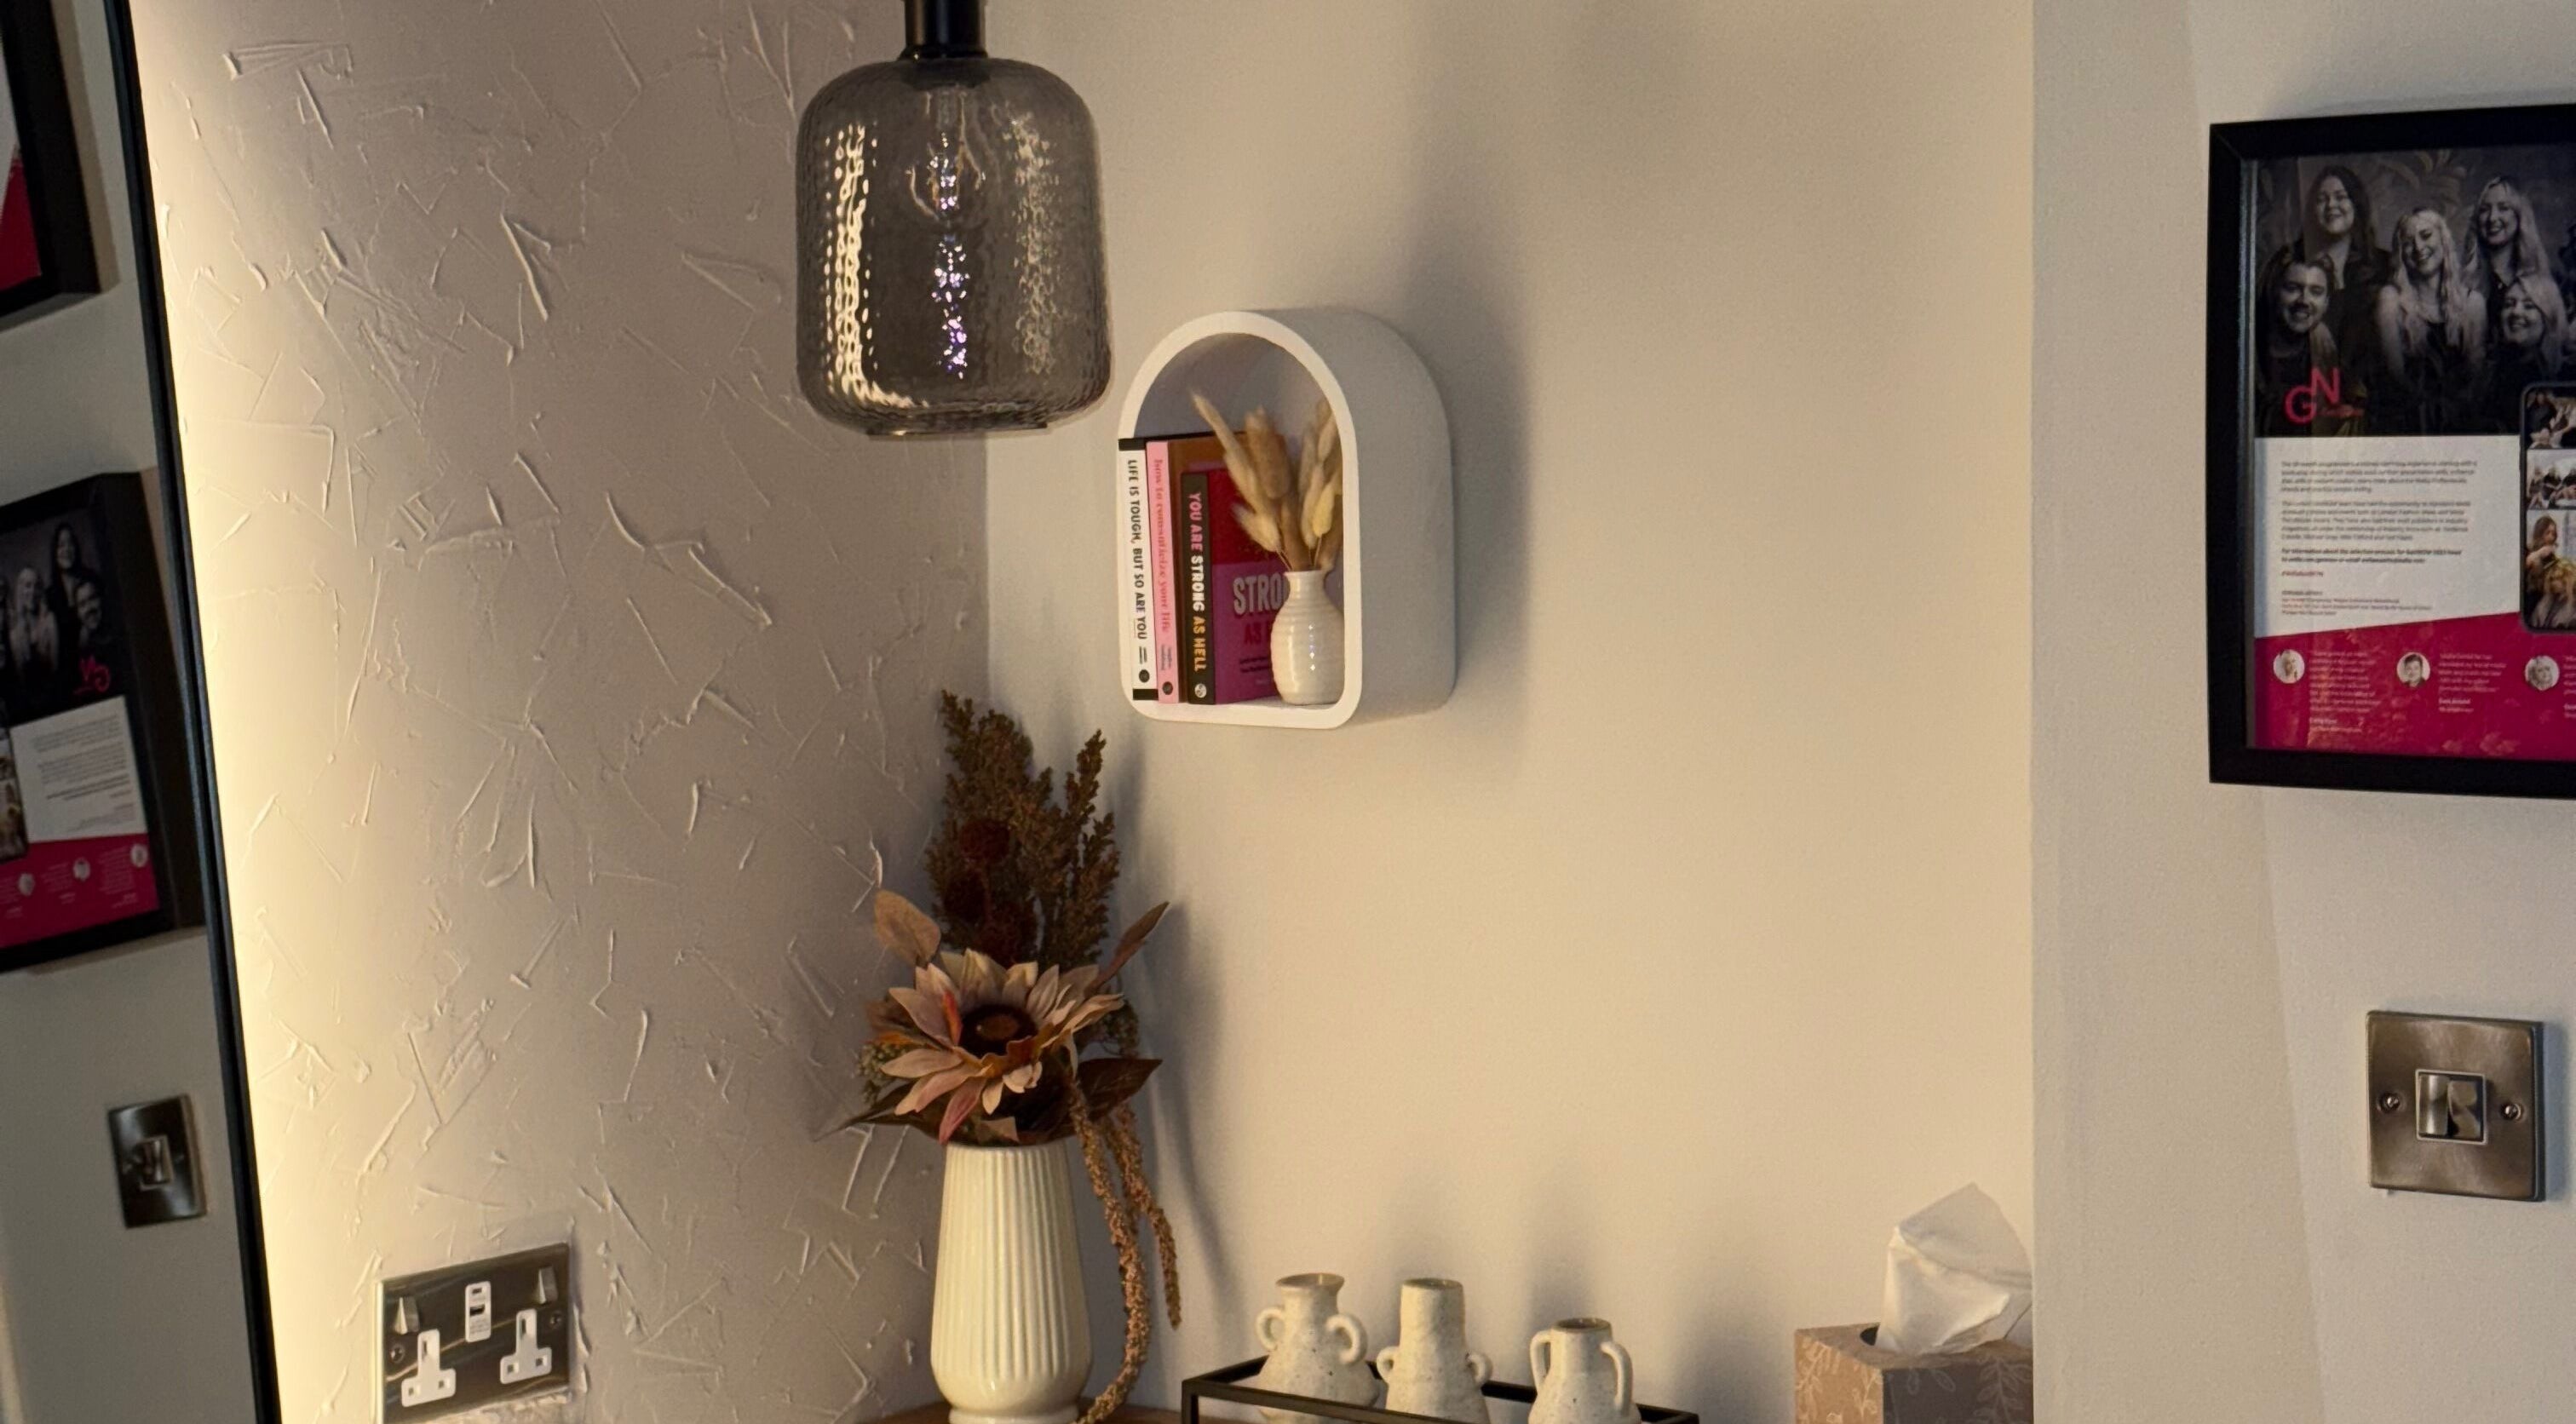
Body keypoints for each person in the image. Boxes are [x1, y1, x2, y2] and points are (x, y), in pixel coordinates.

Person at [2372, 207, 2484, 433]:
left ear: (2443, 240)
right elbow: (2395, 374)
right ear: (2401, 254)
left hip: (2460, 424)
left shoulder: (2473, 303)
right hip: (2407, 423)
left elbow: (2476, 374)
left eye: (2426, 235)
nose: (2419, 248)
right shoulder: (2390, 300)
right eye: (2408, 242)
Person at [2276, 165, 2390, 359]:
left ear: (2356, 204)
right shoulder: (2289, 258)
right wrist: (2311, 321)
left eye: (2340, 197)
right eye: (2322, 199)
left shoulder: (2384, 264)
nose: (2331, 205)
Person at [2257, 250, 2365, 436]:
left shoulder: (2334, 355)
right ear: (2274, 291)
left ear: (2327, 302)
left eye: (2316, 292)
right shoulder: (2252, 356)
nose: (2304, 300)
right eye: (2292, 288)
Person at [2464, 177, 2555, 352]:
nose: (2492, 218)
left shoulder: (2543, 280)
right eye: (2485, 210)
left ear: (2520, 215)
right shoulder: (2464, 283)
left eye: (2503, 208)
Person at [2482, 274, 2571, 433]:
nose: (2516, 312)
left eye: (2529, 306)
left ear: (2549, 317)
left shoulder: (2566, 378)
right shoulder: (2489, 373)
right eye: (2509, 304)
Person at [8, 567, 61, 714]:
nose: (32, 592)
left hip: (54, 698)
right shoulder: (14, 634)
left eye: (37, 586)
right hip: (29, 706)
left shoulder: (50, 620)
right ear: (20, 590)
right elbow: (21, 679)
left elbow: (56, 668)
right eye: (27, 586)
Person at [42, 523, 96, 652]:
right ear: (55, 552)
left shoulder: (91, 578)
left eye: (70, 543)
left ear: (76, 548)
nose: (67, 549)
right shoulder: (49, 595)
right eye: (61, 545)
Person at [2535, 559, 2576, 630]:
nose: (2553, 583)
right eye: (2552, 579)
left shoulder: (2573, 604)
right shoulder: (2545, 601)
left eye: (2558, 578)